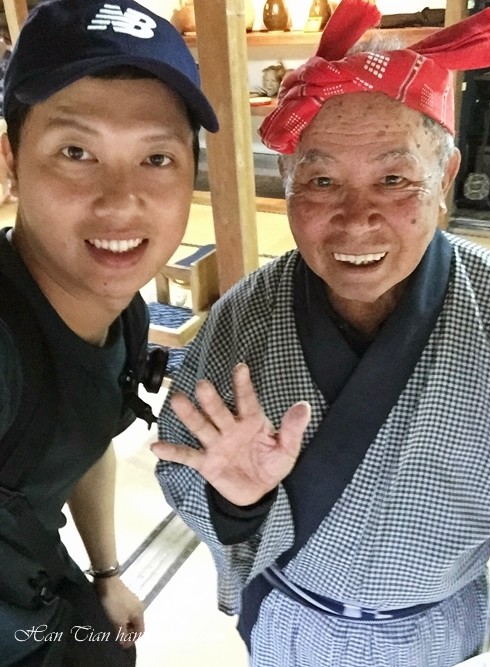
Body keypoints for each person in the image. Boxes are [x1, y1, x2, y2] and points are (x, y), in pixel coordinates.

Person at [152, 1, 490, 665]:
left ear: (445, 180)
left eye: (394, 179)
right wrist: (237, 502)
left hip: (431, 635)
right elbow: (185, 460)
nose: (356, 219)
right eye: (321, 180)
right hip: (292, 625)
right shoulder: (245, 314)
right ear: (287, 184)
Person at [0, 0, 218, 665]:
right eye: (76, 152)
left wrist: (106, 572)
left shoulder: (124, 312)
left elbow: (85, 433)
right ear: (10, 161)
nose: (121, 200)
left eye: (156, 157)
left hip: (45, 587)